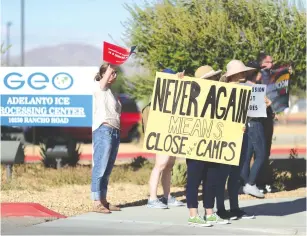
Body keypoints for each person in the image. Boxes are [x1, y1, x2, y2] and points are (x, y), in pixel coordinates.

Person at [186, 65, 229, 227]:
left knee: (211, 179)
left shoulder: (218, 98)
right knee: (194, 179)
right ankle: (193, 215)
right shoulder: (190, 98)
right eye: (210, 78)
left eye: (214, 78)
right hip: (195, 144)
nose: (213, 81)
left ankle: (209, 213)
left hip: (213, 144)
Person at [216, 60, 256, 220]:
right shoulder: (221, 91)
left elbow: (251, 114)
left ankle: (234, 207)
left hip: (242, 135)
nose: (244, 74)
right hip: (227, 136)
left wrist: (262, 105)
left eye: (244, 71)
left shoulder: (248, 89)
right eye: (241, 72)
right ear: (233, 74)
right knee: (223, 173)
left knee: (236, 174)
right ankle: (220, 208)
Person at [146, 68, 185, 209]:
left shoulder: (175, 95)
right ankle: (152, 198)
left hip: (173, 131)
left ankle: (166, 196)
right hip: (162, 132)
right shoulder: (160, 94)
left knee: (169, 165)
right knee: (160, 164)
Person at [255, 52, 292, 193]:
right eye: (269, 62)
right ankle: (255, 182)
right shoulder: (257, 77)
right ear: (261, 63)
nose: (272, 64)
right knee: (259, 152)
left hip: (268, 117)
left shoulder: (271, 76)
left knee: (266, 151)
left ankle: (264, 182)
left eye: (272, 62)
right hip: (258, 120)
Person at [91, 64, 121, 214]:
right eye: (111, 73)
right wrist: (111, 64)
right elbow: (103, 80)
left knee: (107, 168)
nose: (114, 75)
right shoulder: (99, 87)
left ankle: (103, 200)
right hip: (104, 130)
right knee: (100, 166)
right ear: (103, 74)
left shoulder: (111, 92)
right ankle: (96, 201)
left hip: (115, 131)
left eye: (115, 73)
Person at [240, 68, 272, 198]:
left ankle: (245, 183)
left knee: (246, 156)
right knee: (261, 154)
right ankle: (251, 183)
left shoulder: (241, 86)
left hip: (246, 124)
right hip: (255, 123)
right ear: (256, 75)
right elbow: (256, 110)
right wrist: (268, 104)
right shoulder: (255, 89)